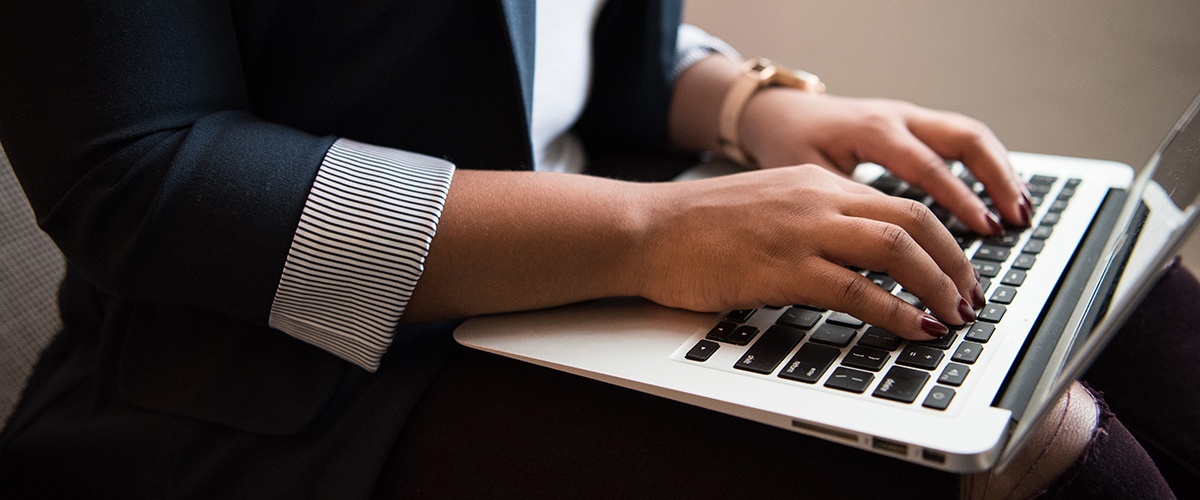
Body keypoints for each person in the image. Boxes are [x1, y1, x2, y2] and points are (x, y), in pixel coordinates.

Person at [0, 0, 1194, 498]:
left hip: (614, 252)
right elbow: (136, 172)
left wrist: (754, 106)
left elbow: (553, 42)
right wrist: (651, 231)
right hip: (278, 371)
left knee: (1130, 301)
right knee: (1032, 447)